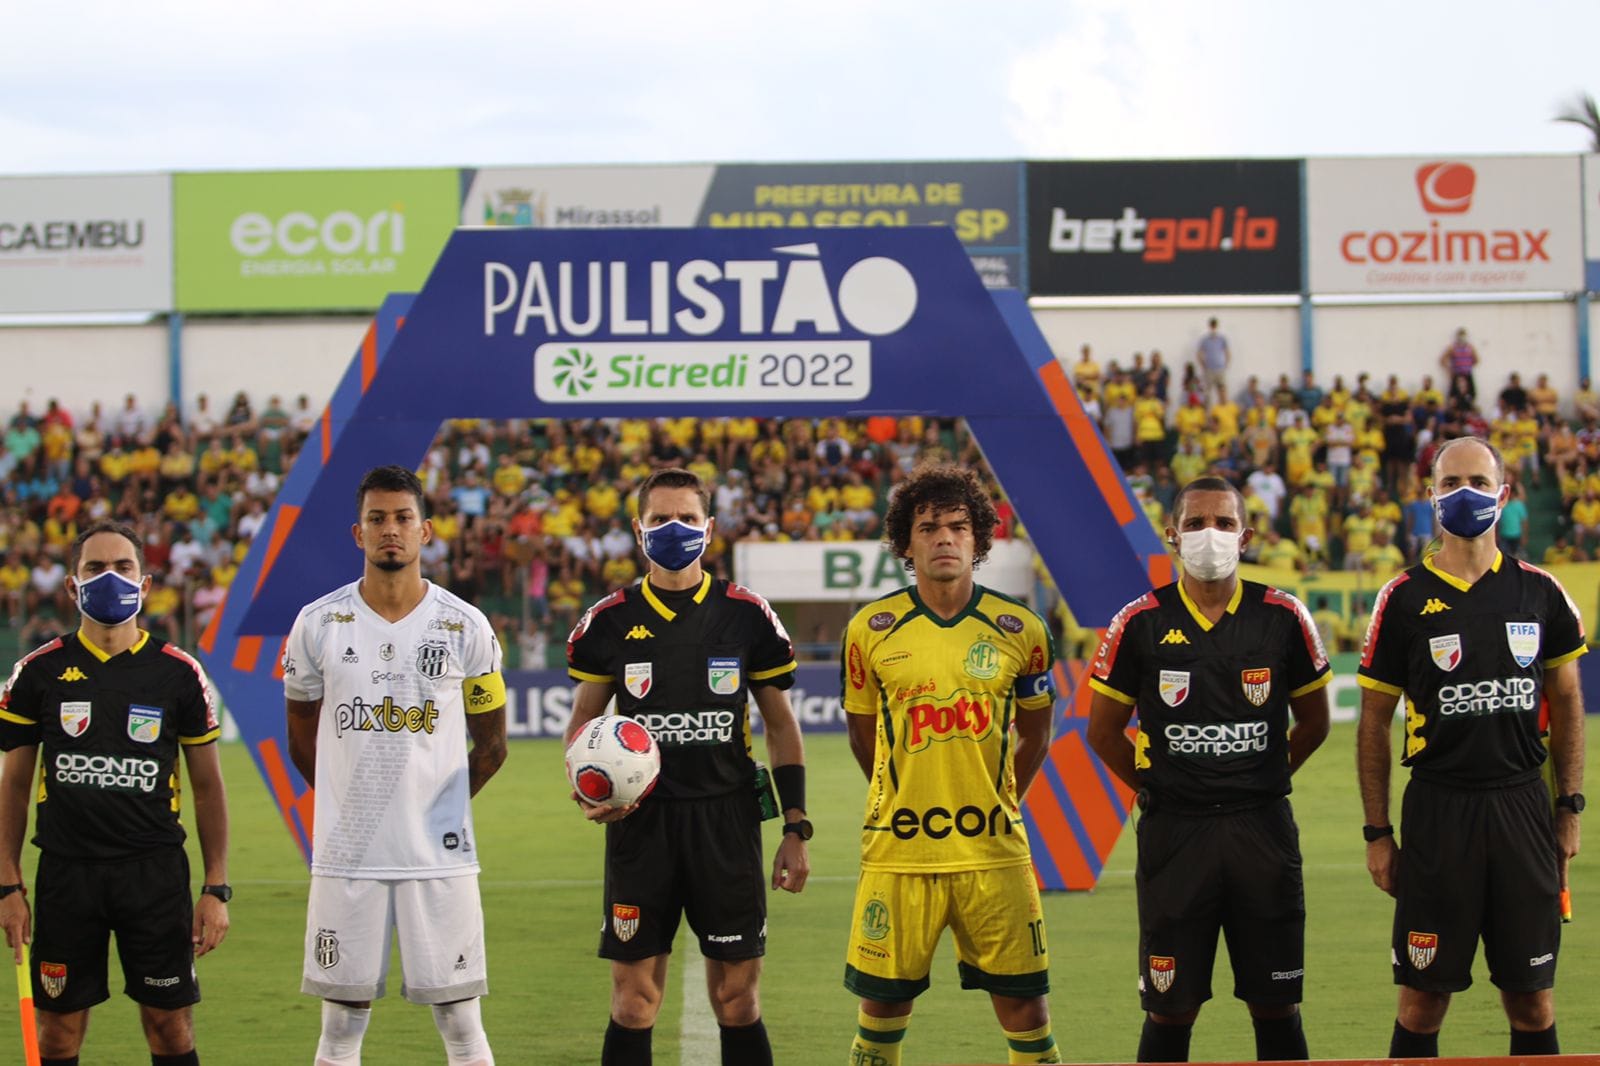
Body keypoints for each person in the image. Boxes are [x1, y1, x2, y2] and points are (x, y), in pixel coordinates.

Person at [564, 467, 809, 1066]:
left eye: (686, 519)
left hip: (727, 821)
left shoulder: (748, 615)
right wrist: (589, 790)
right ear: (637, 529)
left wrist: (795, 826)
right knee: (632, 1001)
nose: (673, 529)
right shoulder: (608, 621)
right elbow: (584, 728)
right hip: (641, 826)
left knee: (738, 999)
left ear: (710, 527)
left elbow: (780, 726)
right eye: (659, 520)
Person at [1086, 475, 1331, 1063]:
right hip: (1177, 834)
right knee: (1171, 1005)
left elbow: (1316, 722)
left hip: (1262, 831)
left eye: (1223, 523)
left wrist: (1264, 776)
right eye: (1196, 523)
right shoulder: (1139, 621)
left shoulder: (1283, 615)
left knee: (1276, 1003)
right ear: (1172, 535)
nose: (1210, 535)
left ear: (1245, 536)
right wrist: (1161, 785)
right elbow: (1101, 732)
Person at [1356, 437, 1586, 1058]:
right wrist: (1378, 833)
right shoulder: (1401, 598)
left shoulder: (1541, 593)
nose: (1466, 494)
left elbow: (1567, 705)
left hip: (1521, 810)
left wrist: (1569, 807)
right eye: (1451, 481)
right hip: (1438, 811)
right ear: (1430, 496)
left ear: (1505, 496)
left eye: (1480, 483)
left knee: (1533, 999)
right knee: (1422, 1001)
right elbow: (1373, 722)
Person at [284, 465, 507, 1066]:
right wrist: (348, 806)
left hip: (440, 857)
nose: (391, 530)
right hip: (346, 854)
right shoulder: (317, 625)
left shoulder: (466, 626)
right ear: (357, 534)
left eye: (403, 518)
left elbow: (492, 748)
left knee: (462, 1024)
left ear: (425, 530)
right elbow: (301, 739)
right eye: (377, 519)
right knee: (339, 1028)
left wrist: (439, 809)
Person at [841, 463, 1062, 1066]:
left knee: (1027, 1009)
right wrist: (899, 793)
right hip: (900, 851)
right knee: (882, 1008)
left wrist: (1002, 796)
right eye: (929, 527)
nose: (944, 538)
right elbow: (861, 730)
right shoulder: (870, 629)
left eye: (958, 527)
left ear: (979, 539)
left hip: (994, 852)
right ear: (906, 543)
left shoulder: (1022, 629)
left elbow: (1038, 732)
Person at [0, 520, 230, 1066]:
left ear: (146, 584)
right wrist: (7, 883)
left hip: (153, 875)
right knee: (58, 1035)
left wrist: (216, 887)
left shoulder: (179, 674)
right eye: (95, 568)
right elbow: (13, 783)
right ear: (72, 586)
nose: (110, 579)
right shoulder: (38, 672)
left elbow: (208, 787)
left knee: (170, 1028)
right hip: (65, 875)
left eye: (123, 568)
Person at [1196, 317, 1230, 400]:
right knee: (1207, 393)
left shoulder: (1222, 339)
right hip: (1209, 370)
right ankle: (1208, 411)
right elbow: (1199, 353)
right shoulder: (1205, 339)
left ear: (1217, 326)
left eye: (1214, 326)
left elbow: (1227, 352)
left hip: (1220, 369)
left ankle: (1222, 410)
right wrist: (1203, 365)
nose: (1213, 328)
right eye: (1212, 326)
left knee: (1222, 390)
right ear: (1209, 327)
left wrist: (1226, 364)